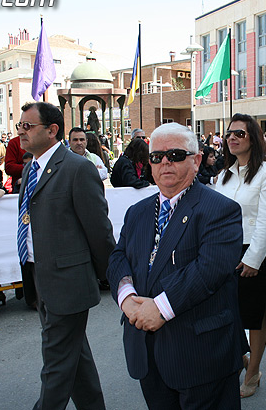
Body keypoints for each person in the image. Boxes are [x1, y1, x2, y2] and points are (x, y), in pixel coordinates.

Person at [107, 122, 245, 409]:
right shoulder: (137, 212)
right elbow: (118, 257)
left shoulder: (220, 210)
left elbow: (209, 271)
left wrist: (160, 308)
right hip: (147, 352)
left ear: (196, 161)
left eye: (176, 155)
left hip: (201, 356)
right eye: (157, 156)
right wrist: (127, 298)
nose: (165, 162)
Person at [16, 101, 115, 409]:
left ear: (52, 130)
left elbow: (98, 228)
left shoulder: (77, 168)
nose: (21, 132)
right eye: (20, 126)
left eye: (28, 126)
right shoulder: (31, 167)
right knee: (76, 358)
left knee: (57, 365)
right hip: (40, 277)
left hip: (68, 283)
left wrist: (114, 276)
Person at [214, 113, 266, 398]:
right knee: (229, 313)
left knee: (255, 316)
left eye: (239, 133)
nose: (232, 138)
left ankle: (252, 372)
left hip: (257, 250)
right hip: (226, 251)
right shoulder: (223, 175)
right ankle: (244, 359)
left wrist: (254, 259)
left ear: (252, 137)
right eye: (229, 133)